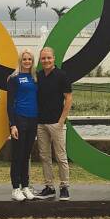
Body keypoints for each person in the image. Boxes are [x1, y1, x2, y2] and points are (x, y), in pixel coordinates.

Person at [35, 47, 73, 200]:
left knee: (61, 157)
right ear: (40, 60)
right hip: (41, 123)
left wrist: (61, 121)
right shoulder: (38, 76)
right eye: (43, 58)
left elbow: (68, 99)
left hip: (56, 123)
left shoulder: (62, 75)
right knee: (44, 156)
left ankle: (64, 187)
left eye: (48, 58)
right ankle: (49, 187)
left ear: (54, 58)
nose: (46, 61)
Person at [6, 49, 39, 201]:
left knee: (26, 155)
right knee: (17, 155)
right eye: (24, 59)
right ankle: (15, 188)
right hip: (19, 120)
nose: (27, 62)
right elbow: (9, 104)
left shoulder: (35, 77)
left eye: (29, 59)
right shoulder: (14, 78)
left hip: (33, 120)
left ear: (32, 61)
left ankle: (25, 186)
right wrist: (12, 125)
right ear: (20, 61)